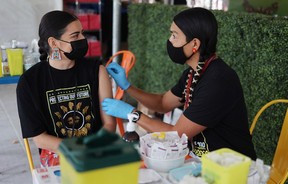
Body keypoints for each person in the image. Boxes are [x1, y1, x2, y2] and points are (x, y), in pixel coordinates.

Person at [102, 7, 257, 160]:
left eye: (174, 35)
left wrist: (134, 114)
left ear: (194, 44)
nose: (169, 41)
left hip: (234, 169)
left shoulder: (218, 80)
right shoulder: (194, 72)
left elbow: (177, 134)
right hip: (204, 161)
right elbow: (163, 103)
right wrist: (128, 87)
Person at [16, 10, 116, 167]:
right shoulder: (29, 82)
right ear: (54, 43)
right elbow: (39, 138)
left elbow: (109, 124)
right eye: (75, 36)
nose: (83, 39)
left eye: (82, 33)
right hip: (57, 155)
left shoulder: (97, 70)